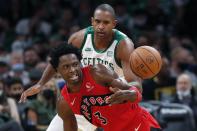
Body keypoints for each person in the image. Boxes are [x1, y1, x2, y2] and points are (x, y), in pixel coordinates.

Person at [20, 4, 141, 131]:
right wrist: (41, 83)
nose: (101, 26)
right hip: (84, 96)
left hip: (113, 98)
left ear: (114, 24)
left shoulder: (124, 45)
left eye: (106, 22)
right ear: (92, 21)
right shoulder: (79, 38)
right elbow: (59, 58)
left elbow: (135, 84)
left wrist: (129, 93)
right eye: (98, 21)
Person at [20, 44, 160, 131]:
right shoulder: (64, 102)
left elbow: (133, 91)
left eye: (75, 64)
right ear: (57, 70)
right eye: (66, 67)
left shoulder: (97, 72)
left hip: (139, 125)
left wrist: (128, 94)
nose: (72, 70)